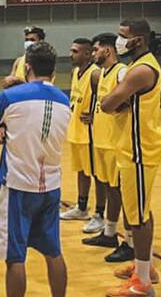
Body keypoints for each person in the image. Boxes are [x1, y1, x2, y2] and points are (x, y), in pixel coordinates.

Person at [0, 41, 69, 297]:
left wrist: (5, 131)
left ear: (27, 67)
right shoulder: (64, 100)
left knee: (15, 257)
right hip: (51, 186)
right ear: (53, 71)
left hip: (17, 186)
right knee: (53, 251)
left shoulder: (9, 96)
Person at [100, 19, 161, 297]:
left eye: (122, 36)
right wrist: (120, 101)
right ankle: (145, 267)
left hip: (139, 150)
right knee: (140, 211)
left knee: (137, 218)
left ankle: (143, 284)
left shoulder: (141, 70)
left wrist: (116, 101)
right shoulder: (138, 66)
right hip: (131, 147)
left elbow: (107, 104)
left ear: (138, 40)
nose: (119, 40)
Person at [82, 33, 134, 263]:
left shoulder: (122, 72)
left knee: (120, 191)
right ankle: (110, 233)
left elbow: (131, 99)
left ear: (107, 50)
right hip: (101, 140)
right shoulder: (101, 73)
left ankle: (130, 241)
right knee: (110, 189)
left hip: (116, 143)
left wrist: (116, 107)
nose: (93, 53)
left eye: (96, 49)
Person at [60, 38, 105, 233]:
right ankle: (82, 207)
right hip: (76, 130)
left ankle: (100, 215)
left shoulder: (95, 74)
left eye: (75, 51)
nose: (71, 54)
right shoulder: (76, 72)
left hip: (91, 133)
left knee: (98, 175)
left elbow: (107, 97)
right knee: (82, 171)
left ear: (87, 54)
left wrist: (95, 114)